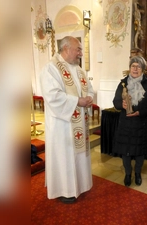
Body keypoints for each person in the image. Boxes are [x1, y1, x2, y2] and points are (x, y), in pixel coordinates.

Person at [40, 36, 94, 204]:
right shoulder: (51, 68)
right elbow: (53, 96)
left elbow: (89, 89)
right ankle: (64, 190)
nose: (80, 53)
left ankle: (80, 185)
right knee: (65, 158)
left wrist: (89, 98)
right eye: (78, 49)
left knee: (77, 156)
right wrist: (78, 101)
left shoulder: (78, 70)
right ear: (66, 48)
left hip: (78, 123)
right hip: (62, 125)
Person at [112, 56, 147, 186]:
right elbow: (115, 101)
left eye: (138, 66)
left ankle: (137, 174)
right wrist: (122, 105)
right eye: (133, 66)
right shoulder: (122, 83)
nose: (135, 69)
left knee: (139, 152)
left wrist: (140, 112)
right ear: (130, 68)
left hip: (140, 123)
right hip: (125, 123)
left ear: (143, 69)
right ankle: (127, 174)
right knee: (125, 150)